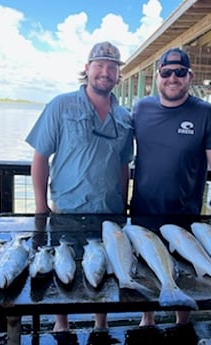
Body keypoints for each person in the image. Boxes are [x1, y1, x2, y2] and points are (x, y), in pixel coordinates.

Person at [130, 48, 211, 332]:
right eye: (166, 72)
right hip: (144, 208)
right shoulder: (140, 109)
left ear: (190, 76)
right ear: (157, 77)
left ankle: (184, 322)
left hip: (185, 210)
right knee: (147, 267)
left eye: (180, 72)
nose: (173, 78)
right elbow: (115, 151)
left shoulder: (206, 113)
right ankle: (147, 319)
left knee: (187, 266)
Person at [26, 41, 133, 333]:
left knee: (107, 270)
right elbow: (40, 156)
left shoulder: (125, 117)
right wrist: (40, 206)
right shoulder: (60, 105)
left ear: (118, 75)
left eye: (112, 67)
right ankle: (62, 326)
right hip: (66, 208)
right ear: (86, 69)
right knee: (65, 267)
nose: (105, 72)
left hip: (109, 211)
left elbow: (124, 165)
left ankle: (101, 326)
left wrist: (124, 204)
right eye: (99, 65)